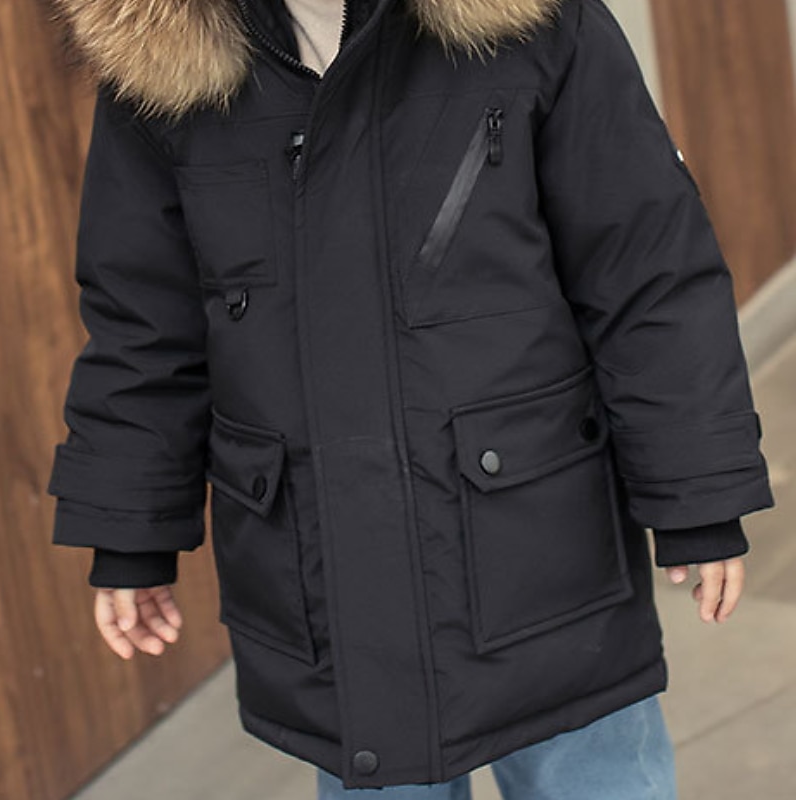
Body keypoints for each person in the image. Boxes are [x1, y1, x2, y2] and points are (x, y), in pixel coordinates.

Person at [47, 0, 773, 797]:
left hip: (542, 551)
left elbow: (646, 269)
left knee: (594, 773)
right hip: (331, 581)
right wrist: (130, 530)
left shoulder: (532, 22)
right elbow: (143, 325)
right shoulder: (162, 64)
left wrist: (697, 490)